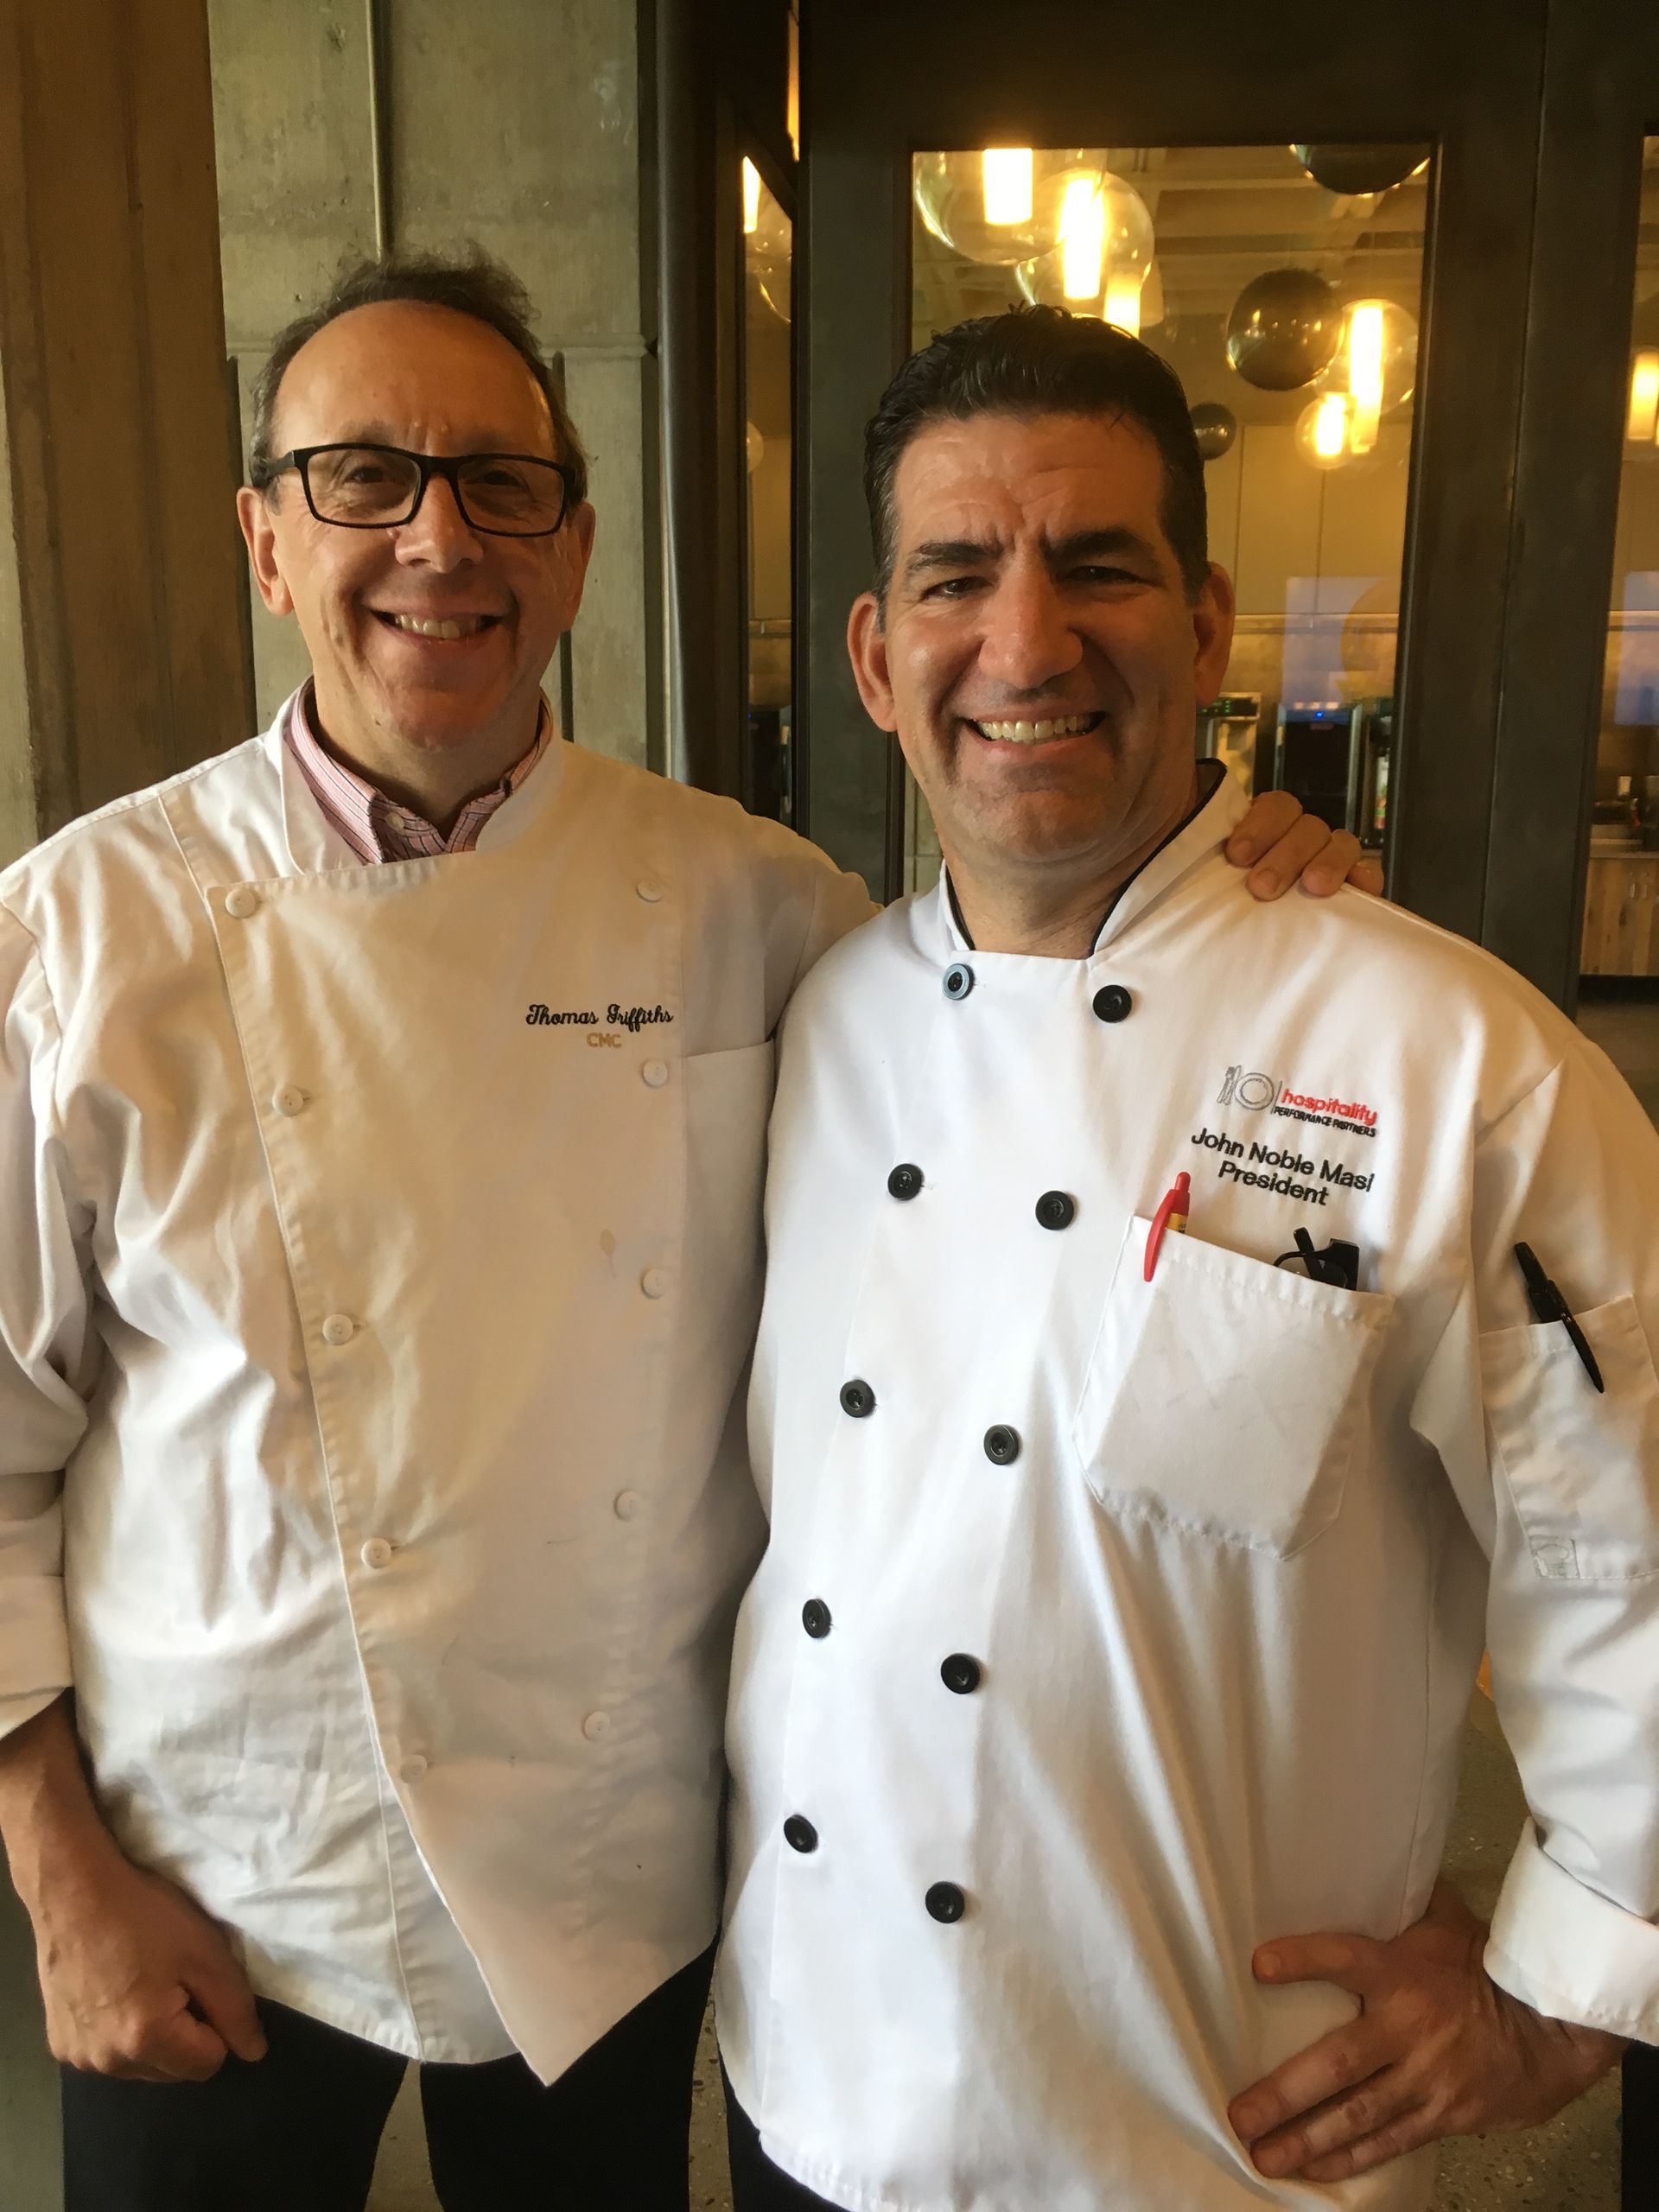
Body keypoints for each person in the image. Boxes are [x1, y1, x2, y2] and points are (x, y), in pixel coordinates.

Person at [0, 255, 1351, 2212]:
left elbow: (1044, 995)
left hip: (613, 1869)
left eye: (500, 483)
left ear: (578, 544)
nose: (439, 537)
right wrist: (60, 1881)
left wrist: (1255, 875)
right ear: (267, 540)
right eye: (362, 477)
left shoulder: (754, 902)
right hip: (215, 1870)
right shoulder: (72, 934)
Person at [715, 305, 1659, 2212]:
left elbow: (1628, 1530)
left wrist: (1576, 1975)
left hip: (1211, 2121)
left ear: (1210, 625)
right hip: (811, 2069)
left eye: (1099, 568)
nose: (1027, 641)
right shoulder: (819, 1014)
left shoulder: (1442, 1052)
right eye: (956, 577)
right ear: (877, 659)